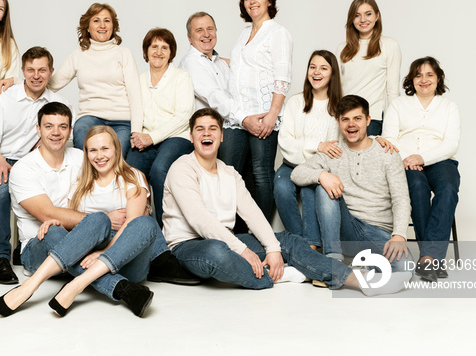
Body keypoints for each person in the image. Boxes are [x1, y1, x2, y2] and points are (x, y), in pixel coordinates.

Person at [162, 108, 411, 295]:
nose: (207, 133)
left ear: (222, 136)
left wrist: (271, 248)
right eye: (200, 129)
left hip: (228, 240)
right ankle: (276, 277)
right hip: (189, 245)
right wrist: (244, 250)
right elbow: (200, 220)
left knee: (287, 241)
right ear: (192, 136)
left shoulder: (229, 173)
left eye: (213, 128)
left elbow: (252, 213)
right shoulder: (182, 168)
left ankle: (357, 281)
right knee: (218, 251)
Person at [0, 116, 158, 317]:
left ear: (116, 149)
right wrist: (54, 223)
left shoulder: (133, 177)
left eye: (105, 149)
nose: (100, 156)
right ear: (87, 154)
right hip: (88, 257)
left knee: (145, 223)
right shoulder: (80, 184)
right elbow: (76, 225)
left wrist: (104, 252)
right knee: (97, 219)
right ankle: (31, 286)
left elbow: (133, 222)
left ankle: (77, 284)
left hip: (127, 259)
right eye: (93, 150)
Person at [0, 47, 69, 284]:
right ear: (23, 71)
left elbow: (66, 139)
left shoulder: (59, 103)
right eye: (30, 70)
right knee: (0, 184)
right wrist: (0, 161)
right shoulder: (3, 96)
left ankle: (27, 246)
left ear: (51, 72)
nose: (36, 75)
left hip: (29, 161)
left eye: (42, 70)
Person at [291, 95, 413, 272]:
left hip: (377, 232)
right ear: (338, 122)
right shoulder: (333, 151)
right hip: (345, 228)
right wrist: (322, 175)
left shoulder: (387, 152)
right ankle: (333, 262)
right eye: (345, 119)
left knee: (405, 268)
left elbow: (401, 198)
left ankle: (359, 261)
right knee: (323, 186)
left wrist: (399, 235)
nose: (351, 124)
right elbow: (297, 173)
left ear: (368, 120)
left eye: (357, 118)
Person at [218, 0, 293, 223]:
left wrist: (273, 114)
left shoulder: (278, 33)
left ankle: (261, 231)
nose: (252, 1)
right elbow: (241, 66)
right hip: (238, 115)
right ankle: (235, 228)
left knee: (261, 174)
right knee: (230, 172)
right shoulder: (243, 33)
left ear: (269, 0)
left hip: (263, 114)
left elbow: (282, 76)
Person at [382, 57, 460, 282]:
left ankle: (427, 257)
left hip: (441, 160)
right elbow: (389, 138)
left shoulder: (449, 106)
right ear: (411, 79)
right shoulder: (398, 104)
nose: (424, 80)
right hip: (406, 161)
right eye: (418, 75)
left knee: (447, 188)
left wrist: (423, 158)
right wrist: (407, 158)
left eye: (429, 75)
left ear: (438, 79)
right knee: (416, 187)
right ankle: (433, 259)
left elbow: (451, 143)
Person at [48, 3, 142, 156]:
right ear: (87, 27)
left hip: (122, 121)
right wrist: (19, 83)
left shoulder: (123, 53)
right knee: (86, 154)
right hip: (90, 117)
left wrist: (136, 130)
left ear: (113, 26)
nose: (102, 25)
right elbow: (51, 84)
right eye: (96, 20)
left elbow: (135, 93)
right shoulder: (78, 55)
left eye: (107, 20)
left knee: (113, 158)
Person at [273, 50, 342, 249]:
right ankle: (300, 243)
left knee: (309, 191)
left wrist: (306, 146)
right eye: (312, 67)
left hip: (319, 167)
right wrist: (317, 145)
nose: (316, 72)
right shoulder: (295, 102)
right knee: (282, 187)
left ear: (332, 74)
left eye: (323, 68)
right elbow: (285, 142)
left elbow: (334, 148)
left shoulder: (338, 107)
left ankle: (310, 246)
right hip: (291, 164)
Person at [127, 28, 194, 226]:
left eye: (164, 47)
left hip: (177, 137)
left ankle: (166, 228)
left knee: (159, 169)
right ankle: (139, 227)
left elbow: (183, 116)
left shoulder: (182, 77)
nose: (159, 52)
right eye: (154, 46)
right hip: (146, 138)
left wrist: (151, 137)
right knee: (132, 172)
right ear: (146, 51)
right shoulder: (138, 79)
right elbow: (135, 110)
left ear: (171, 52)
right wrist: (136, 134)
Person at [337, 0, 401, 136]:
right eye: (357, 15)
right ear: (351, 19)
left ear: (377, 16)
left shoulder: (389, 45)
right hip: (345, 118)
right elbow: (337, 88)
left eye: (368, 14)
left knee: (367, 158)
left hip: (371, 119)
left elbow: (392, 91)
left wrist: (393, 129)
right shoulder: (342, 48)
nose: (363, 20)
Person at [178, 11, 239, 121]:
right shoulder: (191, 62)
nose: (206, 34)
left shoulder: (220, 63)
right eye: (199, 30)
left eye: (210, 28)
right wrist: (244, 117)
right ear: (189, 37)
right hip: (207, 130)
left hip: (227, 124)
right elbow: (214, 96)